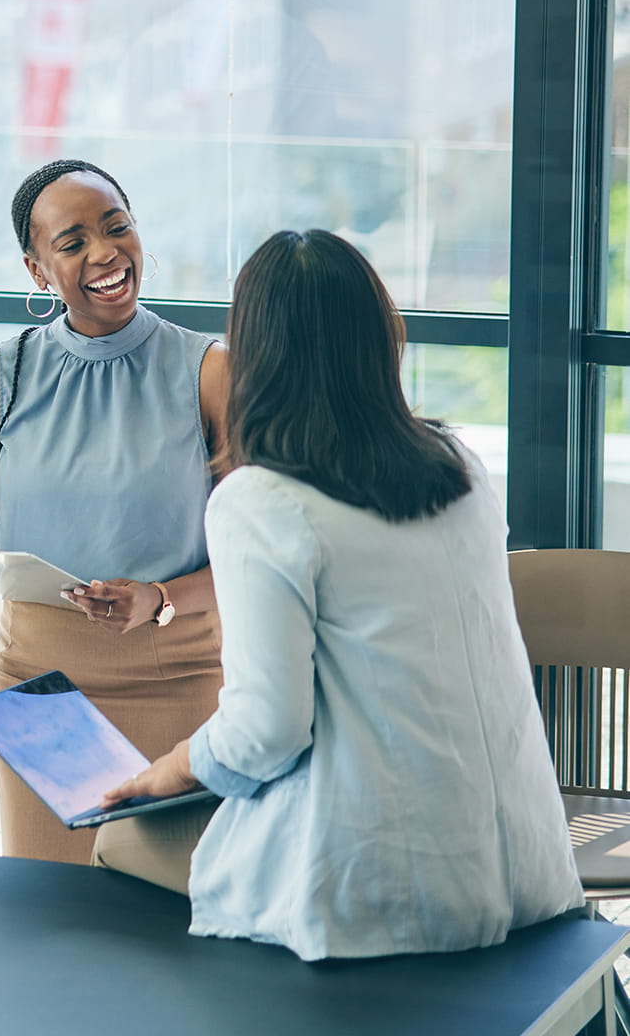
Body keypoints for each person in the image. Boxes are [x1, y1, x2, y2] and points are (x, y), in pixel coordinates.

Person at [94, 229, 582, 960]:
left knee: (116, 844)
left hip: (384, 882)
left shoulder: (261, 502)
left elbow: (267, 730)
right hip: (524, 865)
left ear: (252, 355)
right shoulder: (458, 465)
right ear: (380, 336)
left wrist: (175, 765)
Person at [0, 160, 228, 864]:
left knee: (175, 909)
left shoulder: (211, 373)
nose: (105, 253)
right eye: (73, 242)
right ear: (37, 270)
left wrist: (159, 599)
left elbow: (254, 560)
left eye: (117, 228)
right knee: (48, 903)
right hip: (39, 685)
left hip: (180, 678)